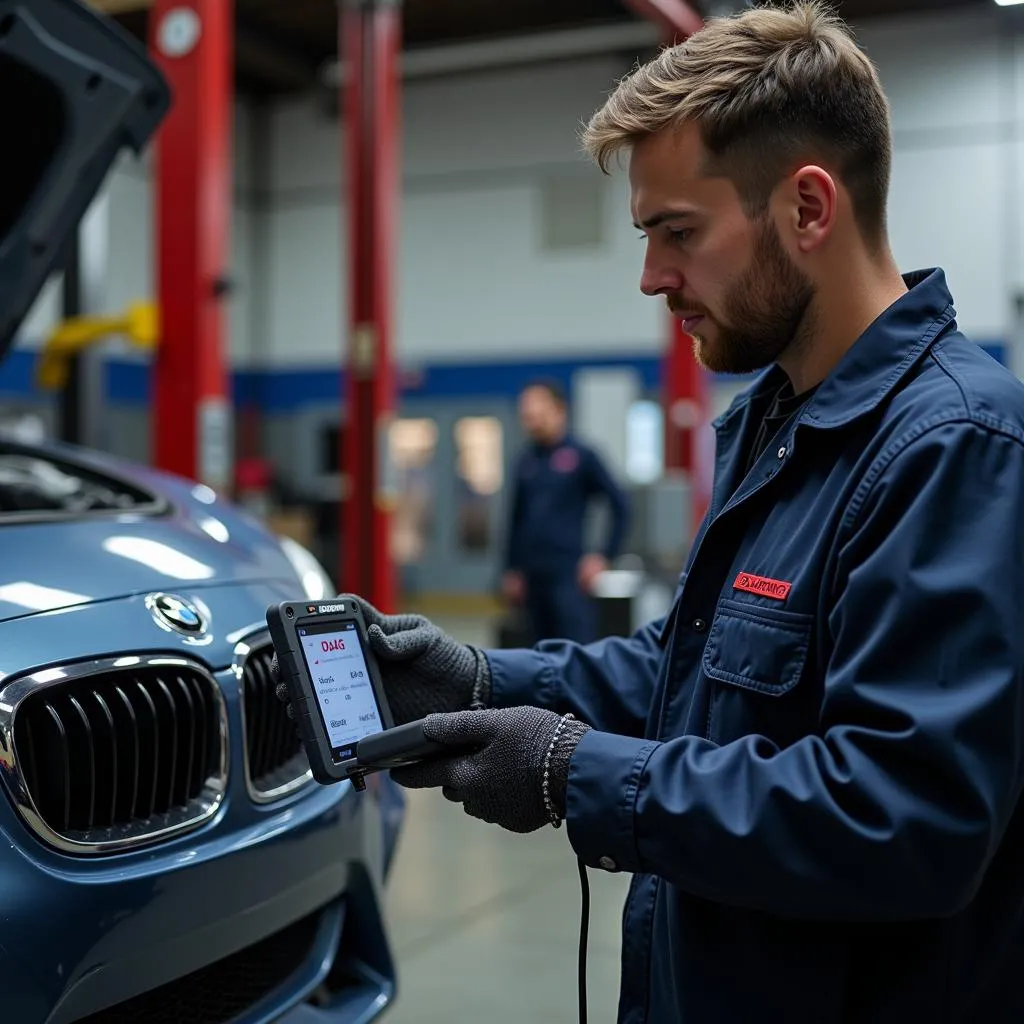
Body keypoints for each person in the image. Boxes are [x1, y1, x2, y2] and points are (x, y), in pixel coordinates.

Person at [276, 3, 1024, 1020]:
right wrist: (490, 676)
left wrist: (571, 773)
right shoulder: (772, 422)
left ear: (808, 209)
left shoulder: (953, 447)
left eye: (677, 232)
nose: (650, 277)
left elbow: (903, 815)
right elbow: (690, 669)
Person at [501, 379, 631, 644]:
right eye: (527, 416)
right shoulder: (526, 461)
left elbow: (620, 506)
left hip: (569, 575)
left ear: (560, 410)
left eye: (538, 413)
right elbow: (516, 520)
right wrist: (511, 569)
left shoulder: (582, 456)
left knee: (575, 649)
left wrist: (603, 556)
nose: (532, 421)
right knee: (538, 650)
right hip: (532, 576)